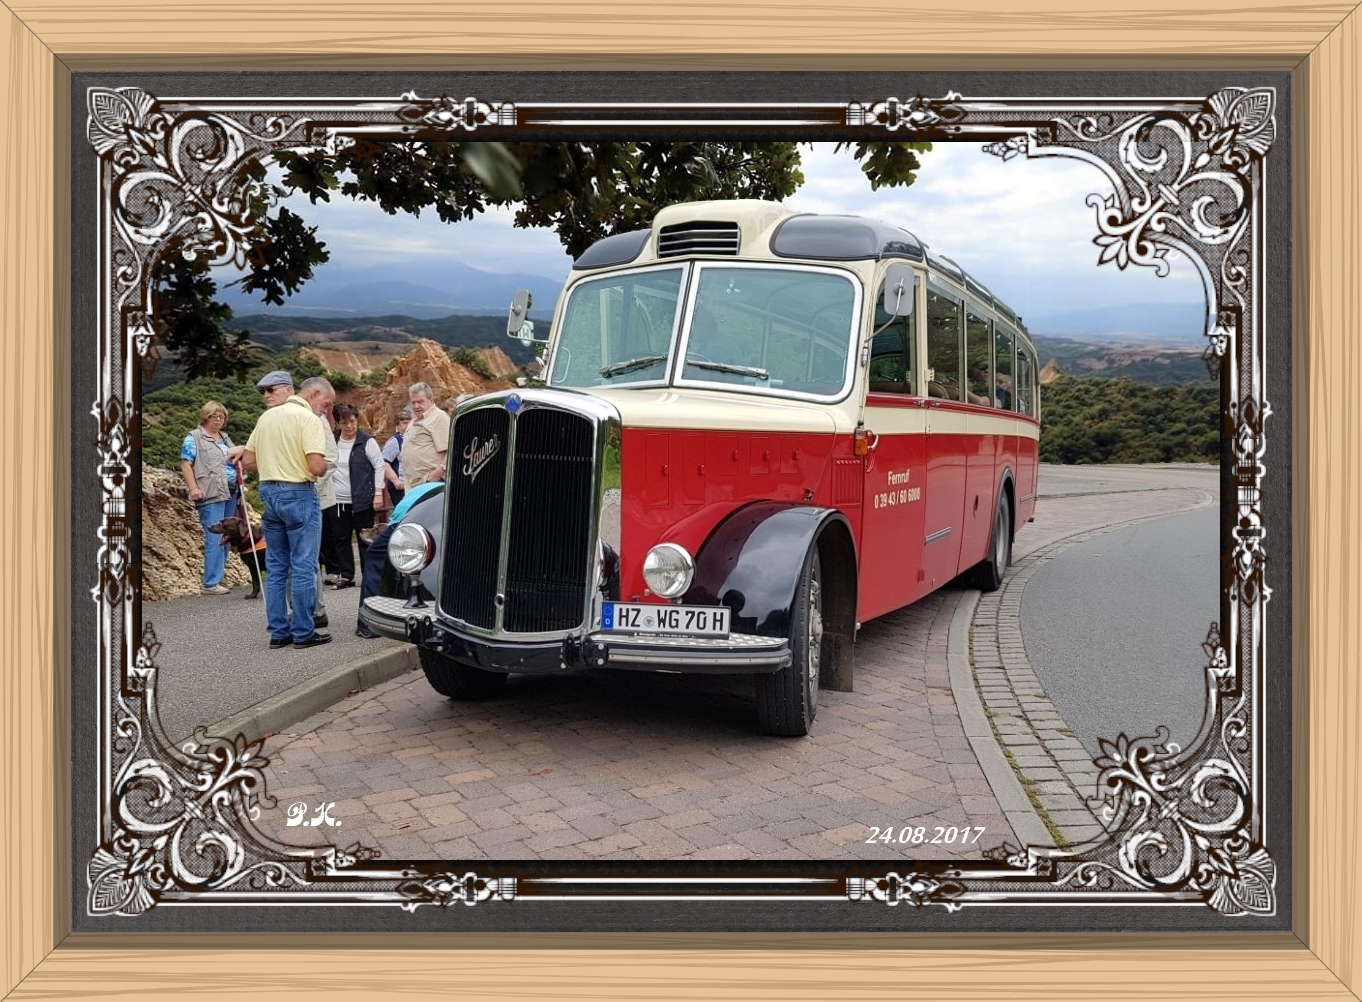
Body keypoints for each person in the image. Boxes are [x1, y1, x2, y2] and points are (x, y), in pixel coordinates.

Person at [241, 374, 331, 648]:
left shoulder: (266, 418)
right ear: (313, 394)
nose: (325, 409)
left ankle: (279, 632)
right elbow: (316, 467)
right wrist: (324, 466)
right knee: (304, 565)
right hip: (298, 492)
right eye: (326, 403)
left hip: (269, 493)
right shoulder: (308, 419)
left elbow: (247, 460)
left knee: (277, 567)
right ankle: (304, 632)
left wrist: (275, 461)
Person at [354, 479, 442, 639]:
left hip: (407, 518)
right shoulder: (437, 488)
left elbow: (397, 521)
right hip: (433, 516)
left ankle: (367, 626)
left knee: (374, 556)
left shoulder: (420, 491)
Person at [179, 400, 245, 595]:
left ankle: (218, 578)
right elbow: (186, 464)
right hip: (210, 492)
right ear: (205, 417)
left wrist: (241, 492)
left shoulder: (225, 438)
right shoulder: (194, 437)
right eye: (214, 416)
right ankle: (210, 583)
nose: (218, 419)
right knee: (214, 536)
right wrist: (193, 489)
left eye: (222, 416)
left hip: (231, 492)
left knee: (227, 536)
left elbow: (236, 462)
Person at [322, 403, 386, 589]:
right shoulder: (333, 440)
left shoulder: (367, 441)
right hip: (338, 500)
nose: (349, 426)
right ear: (338, 424)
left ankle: (369, 574)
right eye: (344, 423)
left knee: (365, 537)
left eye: (352, 421)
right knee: (341, 538)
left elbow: (379, 466)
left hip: (362, 498)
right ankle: (346, 574)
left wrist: (378, 493)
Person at [400, 382, 451, 488]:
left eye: (420, 402)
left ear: (431, 400)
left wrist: (440, 471)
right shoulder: (415, 420)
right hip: (415, 484)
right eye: (413, 403)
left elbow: (453, 447)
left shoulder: (439, 417)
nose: (416, 406)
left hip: (431, 483)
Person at [381, 406, 411, 509]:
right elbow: (384, 462)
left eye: (409, 422)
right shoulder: (395, 441)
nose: (407, 426)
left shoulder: (413, 439)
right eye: (404, 423)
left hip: (412, 485)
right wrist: (396, 481)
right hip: (400, 487)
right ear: (397, 426)